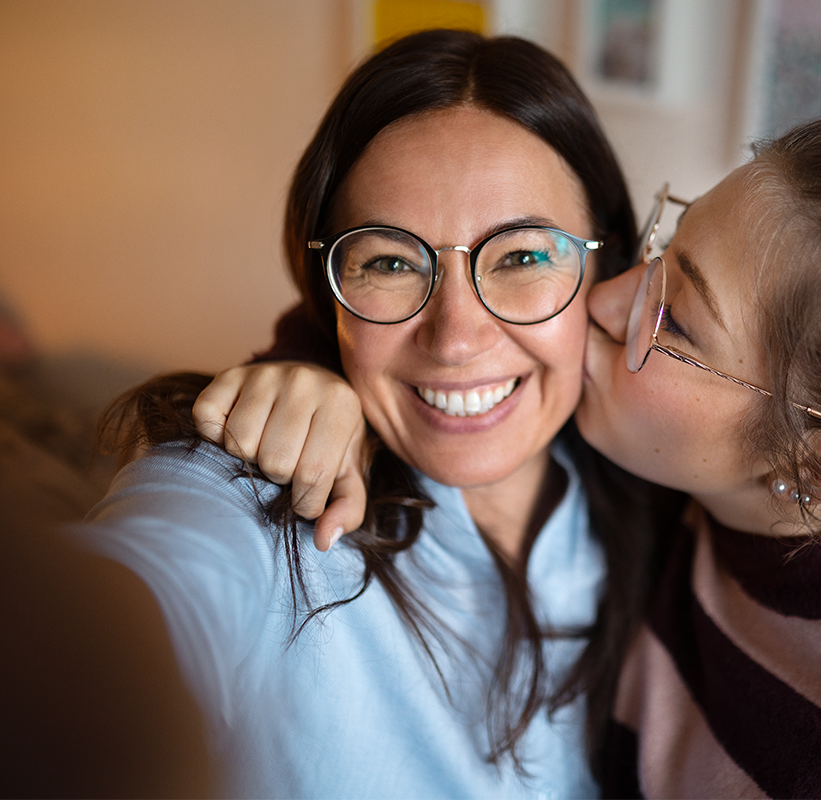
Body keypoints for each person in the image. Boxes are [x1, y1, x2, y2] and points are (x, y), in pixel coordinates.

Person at [203, 113, 821, 796]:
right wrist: (315, 369)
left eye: (676, 320)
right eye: (661, 249)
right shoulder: (701, 499)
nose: (606, 300)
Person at [74, 29, 676, 798]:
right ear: (329, 295)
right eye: (390, 262)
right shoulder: (253, 492)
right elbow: (104, 625)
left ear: (607, 266)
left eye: (523, 257)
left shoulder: (664, 506)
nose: (455, 338)